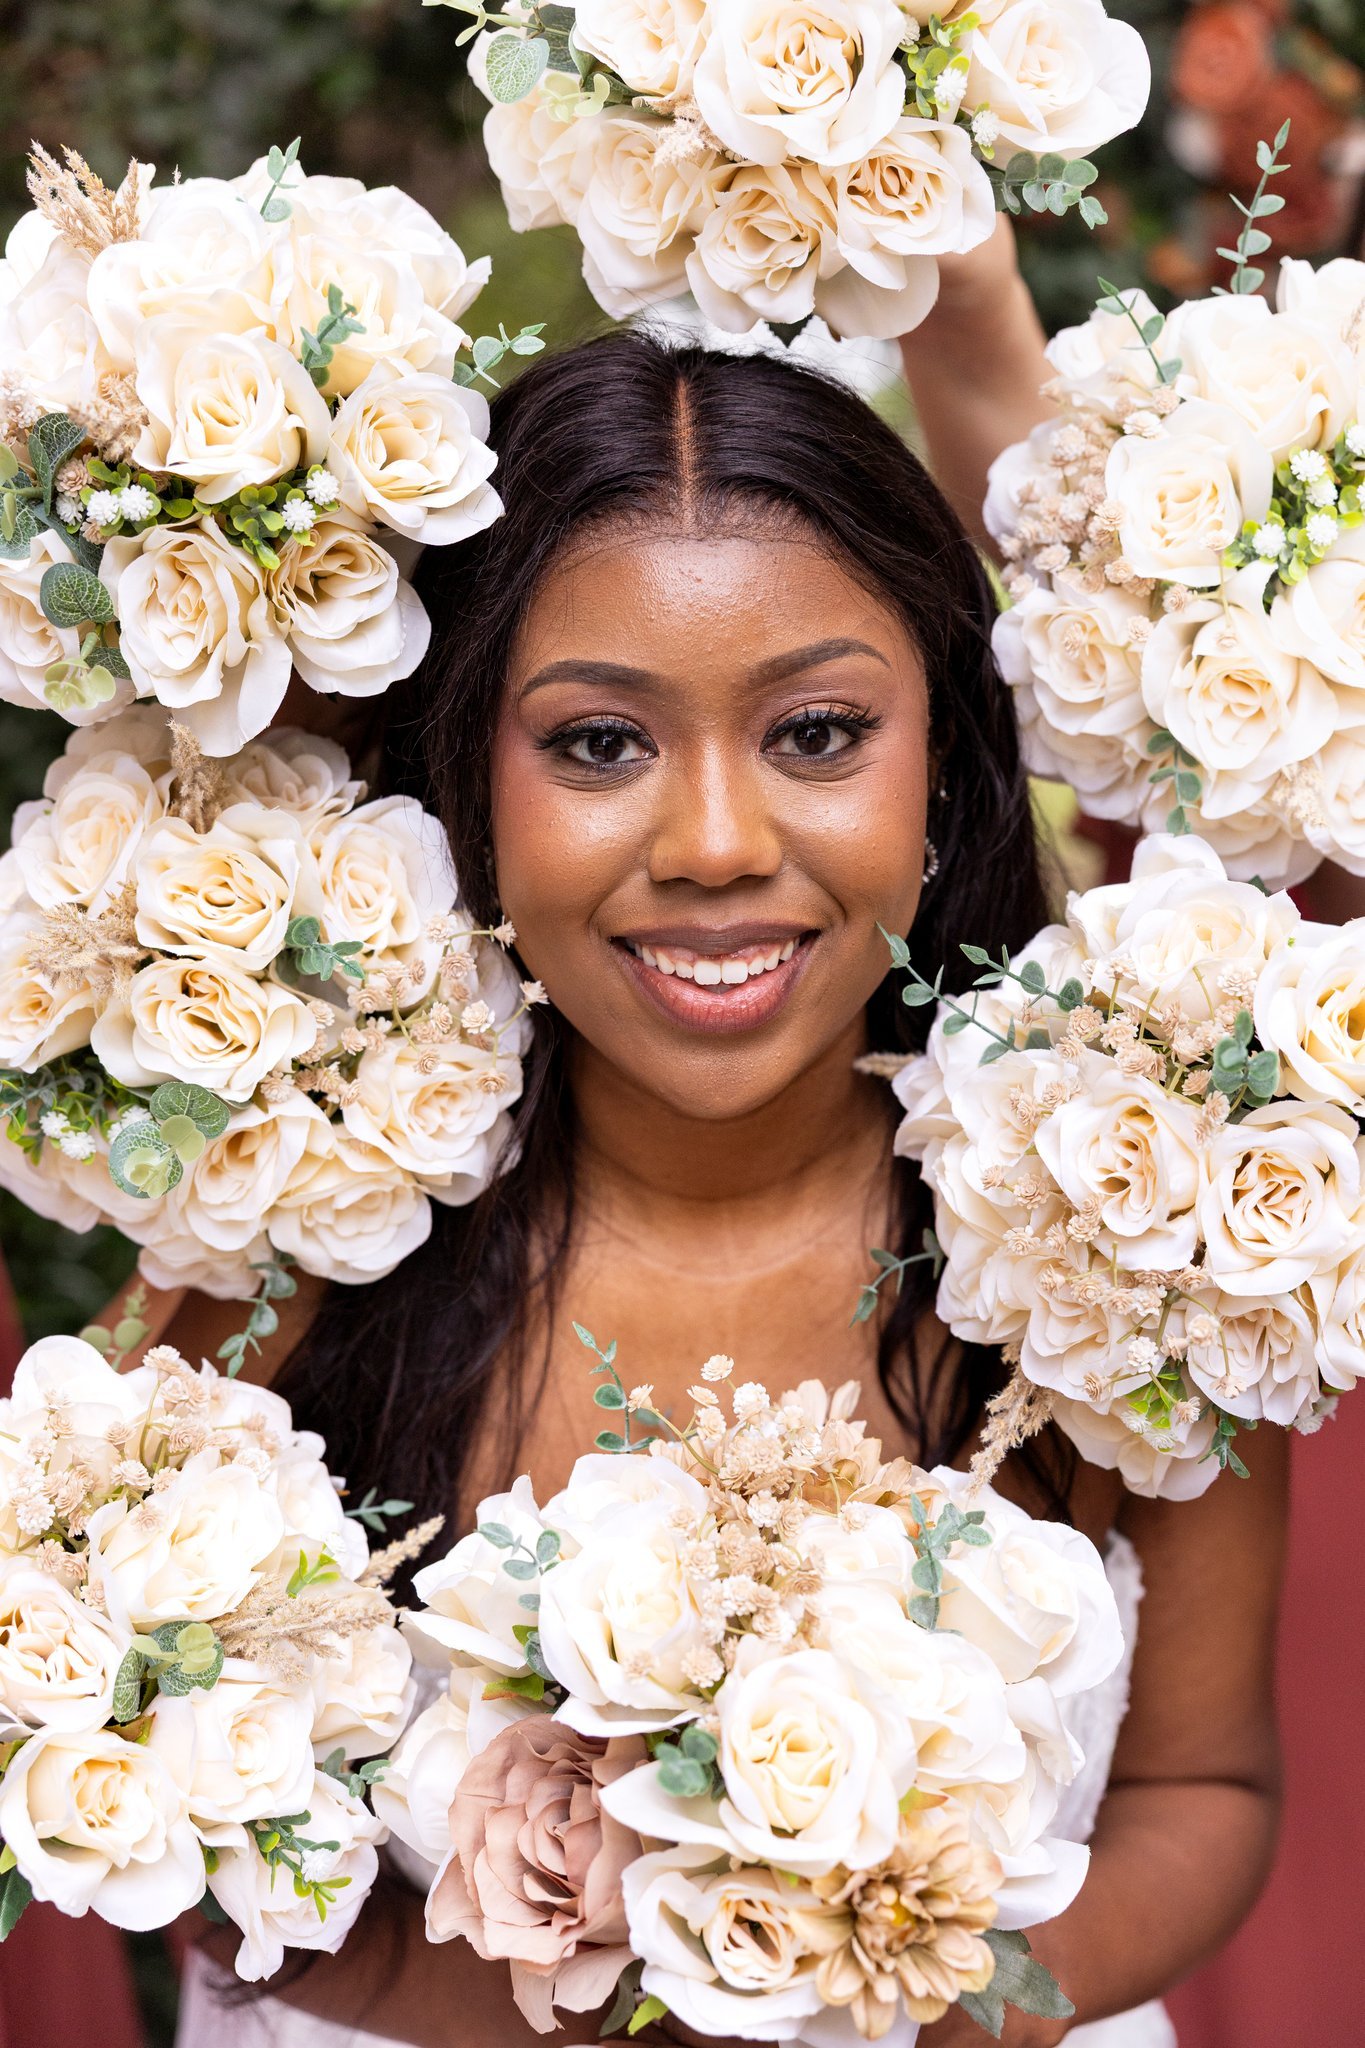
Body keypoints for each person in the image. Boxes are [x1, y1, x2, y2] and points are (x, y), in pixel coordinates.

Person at [133, 330, 1283, 2048]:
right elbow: (201, 1856)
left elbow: (1203, 1788)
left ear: (946, 763)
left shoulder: (1136, 1250)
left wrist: (887, 2005)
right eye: (600, 745)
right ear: (463, 777)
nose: (719, 842)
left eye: (816, 730)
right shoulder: (297, 1264)